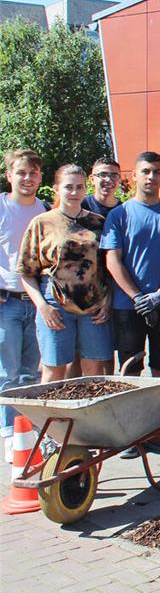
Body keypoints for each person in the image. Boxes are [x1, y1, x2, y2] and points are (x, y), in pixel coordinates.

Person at [18, 164, 113, 381]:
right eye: (68, 187)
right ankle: (53, 415)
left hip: (93, 307)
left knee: (94, 370)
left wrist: (107, 302)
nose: (74, 192)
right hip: (55, 305)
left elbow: (107, 269)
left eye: (79, 187)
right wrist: (42, 307)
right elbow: (26, 272)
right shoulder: (42, 223)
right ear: (56, 189)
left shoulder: (97, 223)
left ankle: (88, 414)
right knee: (55, 369)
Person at [101, 151, 160, 382]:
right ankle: (133, 415)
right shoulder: (119, 215)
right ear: (134, 176)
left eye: (157, 172)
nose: (151, 176)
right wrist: (138, 297)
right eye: (146, 171)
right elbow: (112, 260)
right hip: (128, 306)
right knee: (131, 367)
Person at [0, 149, 46, 462]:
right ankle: (8, 435)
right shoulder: (2, 206)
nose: (27, 178)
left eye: (32, 173)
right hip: (7, 300)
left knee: (31, 373)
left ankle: (25, 432)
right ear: (9, 176)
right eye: (21, 173)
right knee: (8, 372)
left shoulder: (44, 210)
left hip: (37, 302)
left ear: (40, 178)